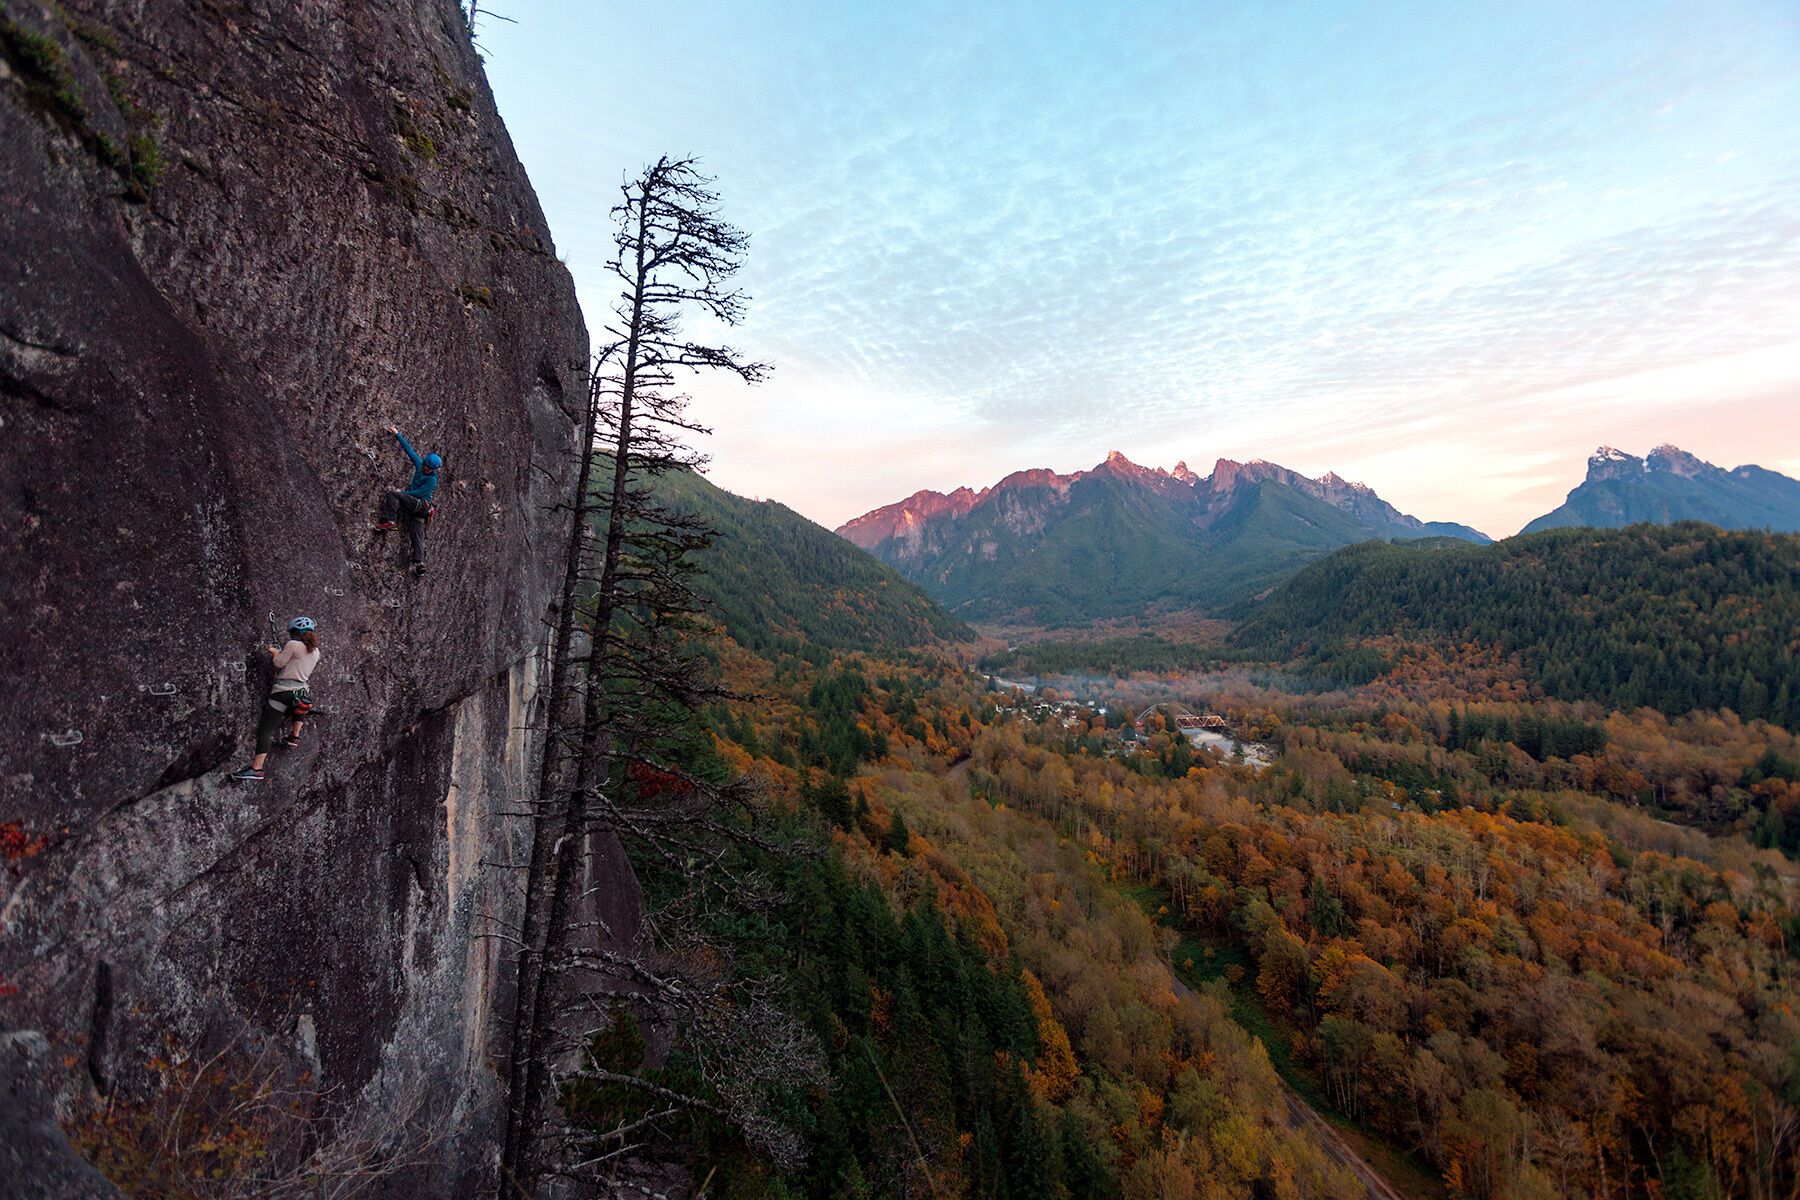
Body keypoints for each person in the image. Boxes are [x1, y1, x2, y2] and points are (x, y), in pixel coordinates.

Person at [229, 617, 321, 782]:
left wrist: (275, 653)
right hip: (301, 692)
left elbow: (278, 663)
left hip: (282, 693)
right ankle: (294, 736)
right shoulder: (316, 651)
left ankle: (256, 768)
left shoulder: (293, 645)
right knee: (302, 703)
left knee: (266, 730)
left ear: (296, 633)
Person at [373, 423, 440, 574]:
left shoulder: (432, 480)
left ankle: (389, 521)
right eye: (426, 466)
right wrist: (397, 434)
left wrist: (401, 492)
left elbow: (418, 494)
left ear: (433, 469)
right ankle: (419, 564)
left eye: (429, 468)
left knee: (393, 495)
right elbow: (409, 450)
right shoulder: (419, 465)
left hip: (421, 505)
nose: (426, 469)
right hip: (417, 508)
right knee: (416, 534)